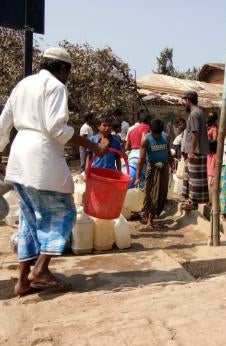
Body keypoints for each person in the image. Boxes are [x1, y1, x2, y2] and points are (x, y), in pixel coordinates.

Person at [0, 47, 107, 295]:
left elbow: (3, 123)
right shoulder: (56, 87)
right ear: (62, 69)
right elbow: (57, 130)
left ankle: (23, 280)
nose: (67, 77)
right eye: (68, 73)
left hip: (19, 158)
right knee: (63, 214)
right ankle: (41, 270)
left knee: (29, 220)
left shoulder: (23, 85)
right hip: (41, 160)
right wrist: (92, 146)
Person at [135, 119, 173, 230]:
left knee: (160, 194)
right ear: (150, 130)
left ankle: (151, 219)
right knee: (149, 192)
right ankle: (147, 214)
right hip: (152, 168)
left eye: (158, 133)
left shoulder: (166, 137)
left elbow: (169, 153)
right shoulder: (146, 139)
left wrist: (172, 165)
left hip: (164, 168)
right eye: (154, 133)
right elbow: (141, 159)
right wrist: (137, 176)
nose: (156, 136)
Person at [181, 90, 209, 211]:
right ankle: (191, 200)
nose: (183, 103)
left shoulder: (194, 114)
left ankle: (194, 203)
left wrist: (191, 151)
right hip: (199, 150)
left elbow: (195, 134)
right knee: (193, 177)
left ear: (188, 100)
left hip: (196, 151)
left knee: (195, 178)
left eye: (184, 100)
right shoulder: (200, 112)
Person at [126, 111, 151, 186]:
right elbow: (145, 140)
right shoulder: (147, 128)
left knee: (130, 183)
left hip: (132, 157)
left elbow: (127, 147)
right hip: (142, 157)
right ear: (148, 120)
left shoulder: (132, 130)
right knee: (142, 184)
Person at [207, 112, 218, 203]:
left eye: (211, 117)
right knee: (209, 173)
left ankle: (211, 198)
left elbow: (215, 140)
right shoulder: (209, 127)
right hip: (208, 153)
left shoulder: (214, 128)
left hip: (213, 153)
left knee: (212, 174)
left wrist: (207, 140)